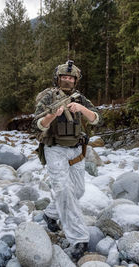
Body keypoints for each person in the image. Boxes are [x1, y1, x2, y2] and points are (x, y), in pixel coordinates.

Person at [32, 60, 100, 261]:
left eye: (71, 77)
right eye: (64, 77)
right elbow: (37, 125)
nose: (67, 80)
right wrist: (52, 115)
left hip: (77, 149)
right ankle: (79, 238)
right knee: (62, 190)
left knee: (77, 191)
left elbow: (97, 118)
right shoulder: (47, 97)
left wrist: (81, 109)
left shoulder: (80, 98)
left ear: (75, 80)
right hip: (55, 149)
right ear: (58, 78)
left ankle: (51, 214)